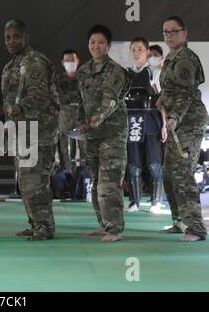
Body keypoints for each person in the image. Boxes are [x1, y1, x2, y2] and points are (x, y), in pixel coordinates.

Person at [1, 19, 58, 241]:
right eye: (7, 37)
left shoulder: (34, 62)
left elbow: (38, 94)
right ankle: (36, 223)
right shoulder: (11, 65)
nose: (12, 41)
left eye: (16, 36)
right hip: (21, 131)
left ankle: (44, 227)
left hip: (38, 130)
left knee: (36, 181)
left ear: (26, 37)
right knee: (26, 181)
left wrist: (20, 107)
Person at [157, 16, 208, 242]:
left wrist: (175, 117)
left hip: (189, 121)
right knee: (169, 173)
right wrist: (162, 102)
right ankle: (179, 221)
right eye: (166, 32)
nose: (169, 35)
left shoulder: (186, 58)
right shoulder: (171, 57)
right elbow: (171, 89)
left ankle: (196, 228)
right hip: (176, 121)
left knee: (182, 173)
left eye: (174, 31)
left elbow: (185, 94)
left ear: (185, 33)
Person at [77, 24, 129, 242]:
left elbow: (110, 102)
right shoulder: (83, 71)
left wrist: (91, 122)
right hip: (92, 134)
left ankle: (114, 228)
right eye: (92, 42)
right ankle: (103, 222)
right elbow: (81, 101)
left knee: (109, 181)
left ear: (107, 46)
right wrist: (80, 122)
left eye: (100, 42)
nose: (95, 46)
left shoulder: (115, 71)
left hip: (112, 133)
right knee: (97, 180)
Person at [125, 37, 167, 213]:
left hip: (152, 122)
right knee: (134, 165)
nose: (136, 53)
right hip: (132, 123)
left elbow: (163, 101)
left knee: (154, 164)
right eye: (133, 49)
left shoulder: (154, 73)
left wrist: (164, 125)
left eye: (140, 49)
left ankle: (156, 202)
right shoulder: (126, 74)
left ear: (147, 51)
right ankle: (134, 201)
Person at [55, 49, 86, 174]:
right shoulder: (57, 81)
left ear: (77, 60)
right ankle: (67, 179)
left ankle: (83, 181)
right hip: (64, 122)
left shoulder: (85, 79)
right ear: (62, 62)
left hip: (82, 121)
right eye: (67, 60)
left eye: (72, 60)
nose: (70, 63)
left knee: (83, 152)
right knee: (65, 152)